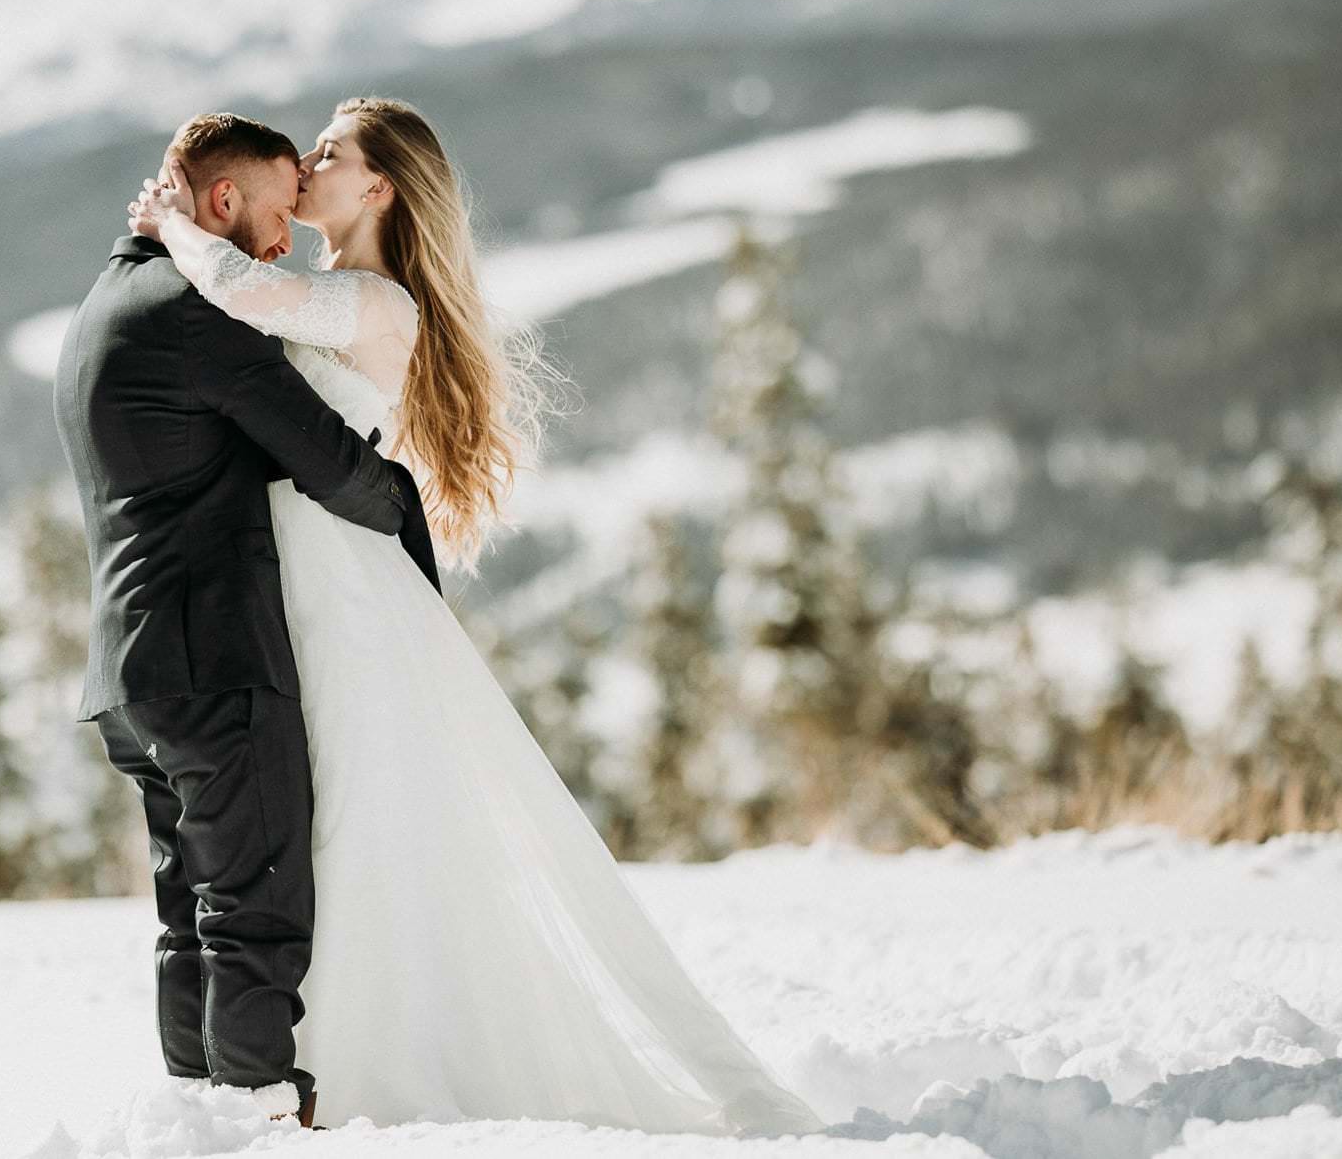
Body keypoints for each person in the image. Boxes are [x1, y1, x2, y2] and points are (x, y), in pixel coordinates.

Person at [123, 96, 825, 1136]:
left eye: (330, 152)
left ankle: (345, 1069)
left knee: (342, 815)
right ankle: (313, 1064)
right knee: (303, 819)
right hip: (288, 579)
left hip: (339, 589)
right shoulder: (327, 291)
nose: (307, 161)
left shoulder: (375, 303)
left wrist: (171, 223)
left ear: (378, 187)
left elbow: (235, 289)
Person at [53, 112, 438, 1129]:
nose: (279, 239)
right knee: (254, 915)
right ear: (221, 200)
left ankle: (195, 1116)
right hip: (213, 659)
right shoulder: (192, 309)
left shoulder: (102, 303)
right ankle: (259, 1119)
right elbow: (319, 454)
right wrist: (401, 516)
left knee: (189, 920)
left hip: (131, 672)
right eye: (272, 212)